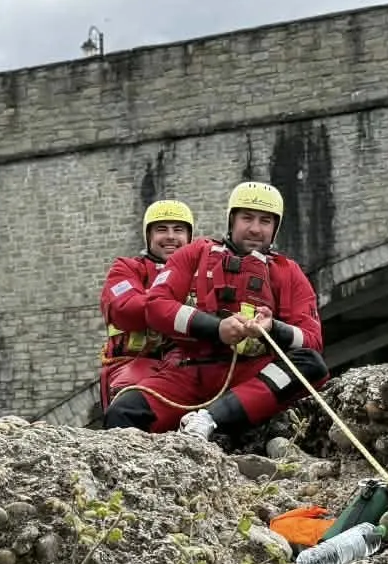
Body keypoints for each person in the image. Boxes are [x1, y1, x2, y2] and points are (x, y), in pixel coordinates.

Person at [102, 181, 328, 442]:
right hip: (187, 372)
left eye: (265, 221)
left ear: (274, 228)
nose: (255, 228)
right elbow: (156, 306)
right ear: (232, 220)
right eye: (247, 218)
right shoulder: (194, 254)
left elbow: (312, 339)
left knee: (310, 364)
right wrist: (217, 328)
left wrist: (272, 328)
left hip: (248, 374)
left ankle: (208, 420)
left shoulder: (289, 272)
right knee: (123, 412)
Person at [99, 199, 195, 412]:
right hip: (132, 365)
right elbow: (125, 309)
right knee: (128, 402)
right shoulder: (126, 269)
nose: (170, 236)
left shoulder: (204, 274)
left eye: (178, 230)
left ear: (189, 237)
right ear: (149, 235)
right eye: (161, 229)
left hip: (190, 366)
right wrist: (174, 299)